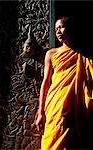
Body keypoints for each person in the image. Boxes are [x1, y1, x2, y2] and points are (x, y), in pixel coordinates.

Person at [35, 16, 93, 150]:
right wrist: (40, 112)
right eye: (56, 29)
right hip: (56, 103)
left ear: (71, 29)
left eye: (61, 27)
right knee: (53, 137)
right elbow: (46, 82)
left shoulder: (84, 56)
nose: (59, 31)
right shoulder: (51, 54)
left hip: (77, 105)